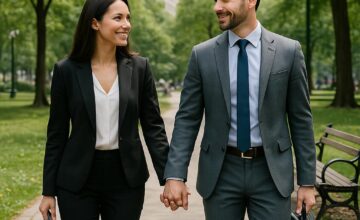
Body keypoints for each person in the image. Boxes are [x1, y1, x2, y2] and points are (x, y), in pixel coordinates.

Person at [161, 0, 316, 219]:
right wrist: (175, 175)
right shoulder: (202, 54)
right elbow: (187, 119)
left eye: (225, 0)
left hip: (271, 174)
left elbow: (301, 120)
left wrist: (307, 182)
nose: (217, 7)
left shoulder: (288, 51)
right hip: (220, 172)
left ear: (251, 1)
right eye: (216, 1)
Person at [38, 0, 169, 219]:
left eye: (128, 18)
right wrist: (48, 191)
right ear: (95, 23)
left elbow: (154, 127)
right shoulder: (66, 70)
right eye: (118, 18)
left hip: (126, 180)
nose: (126, 24)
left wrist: (170, 178)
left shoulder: (139, 68)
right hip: (77, 181)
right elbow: (56, 135)